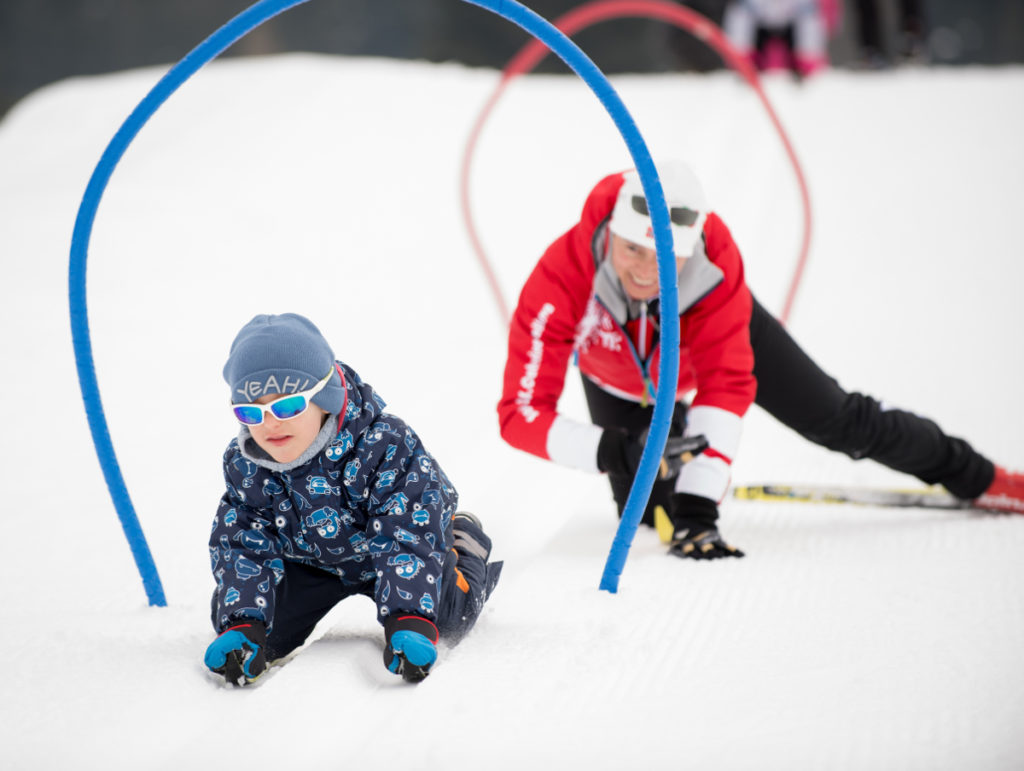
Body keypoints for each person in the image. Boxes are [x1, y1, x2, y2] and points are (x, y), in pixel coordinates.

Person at [497, 160, 1024, 560]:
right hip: (617, 380)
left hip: (708, 357)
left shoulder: (714, 267)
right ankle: (671, 459)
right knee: (647, 515)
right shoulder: (561, 278)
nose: (645, 270)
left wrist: (702, 500)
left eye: (665, 257)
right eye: (633, 248)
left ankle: (980, 476)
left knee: (839, 420)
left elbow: (727, 382)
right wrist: (612, 449)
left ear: (691, 249)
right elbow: (519, 413)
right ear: (611, 231)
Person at [205, 313, 502, 685]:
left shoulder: (383, 445)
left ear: (325, 397)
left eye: (286, 407)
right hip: (308, 561)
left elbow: (406, 530)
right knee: (258, 630)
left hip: (391, 547)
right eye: (251, 411)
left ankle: (463, 541)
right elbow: (243, 542)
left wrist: (409, 618)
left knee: (446, 616)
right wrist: (244, 621)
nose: (270, 424)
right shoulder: (245, 464)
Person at [722, 0, 831, 78]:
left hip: (792, 30)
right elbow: (740, 16)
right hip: (758, 30)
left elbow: (810, 20)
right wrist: (741, 57)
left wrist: (809, 57)